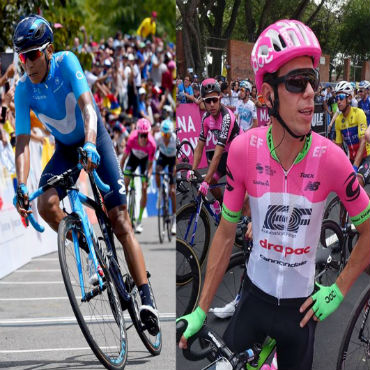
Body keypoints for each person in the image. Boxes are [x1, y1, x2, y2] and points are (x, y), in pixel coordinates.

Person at [178, 19, 370, 370]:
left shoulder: (332, 159)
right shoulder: (242, 150)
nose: (311, 93)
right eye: (297, 83)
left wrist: (340, 289)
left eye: (312, 82)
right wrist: (200, 309)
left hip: (299, 312)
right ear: (267, 94)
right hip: (252, 300)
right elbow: (223, 233)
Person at [12, 15, 159, 335]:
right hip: (65, 150)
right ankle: (97, 255)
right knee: (46, 205)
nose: (29, 64)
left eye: (34, 54)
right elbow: (22, 142)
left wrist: (91, 144)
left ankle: (146, 295)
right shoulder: (22, 88)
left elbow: (88, 108)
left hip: (96, 138)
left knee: (120, 220)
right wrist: (21, 184)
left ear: (48, 51)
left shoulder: (66, 63)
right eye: (22, 57)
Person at [187, 78, 239, 205]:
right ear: (203, 102)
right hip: (226, 153)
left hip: (238, 153)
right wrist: (193, 170)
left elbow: (217, 153)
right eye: (207, 101)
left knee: (236, 185)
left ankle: (243, 215)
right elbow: (200, 146)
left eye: (214, 100)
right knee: (213, 181)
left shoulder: (227, 117)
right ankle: (221, 204)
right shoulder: (206, 118)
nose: (211, 104)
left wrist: (205, 181)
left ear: (220, 99)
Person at [120, 118, 156, 233]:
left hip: (144, 161)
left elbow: (150, 166)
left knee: (144, 188)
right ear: (138, 133)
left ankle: (139, 220)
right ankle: (124, 213)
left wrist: (148, 176)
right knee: (125, 183)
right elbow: (123, 160)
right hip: (133, 159)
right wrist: (121, 172)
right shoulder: (131, 139)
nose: (143, 138)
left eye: (146, 135)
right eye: (141, 135)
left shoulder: (152, 144)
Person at [332, 81, 370, 187]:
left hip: (366, 156)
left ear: (349, 98)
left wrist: (355, 167)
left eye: (341, 97)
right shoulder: (338, 120)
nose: (338, 101)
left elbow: (363, 141)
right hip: (352, 158)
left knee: (356, 183)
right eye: (336, 98)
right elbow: (339, 147)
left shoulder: (359, 113)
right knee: (343, 187)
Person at [154, 119, 176, 235]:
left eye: (167, 134)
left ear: (171, 133)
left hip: (173, 159)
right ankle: (159, 192)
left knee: (172, 191)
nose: (165, 136)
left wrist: (175, 169)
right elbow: (153, 151)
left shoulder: (174, 139)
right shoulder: (158, 137)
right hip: (163, 156)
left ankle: (174, 220)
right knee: (157, 170)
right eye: (163, 134)